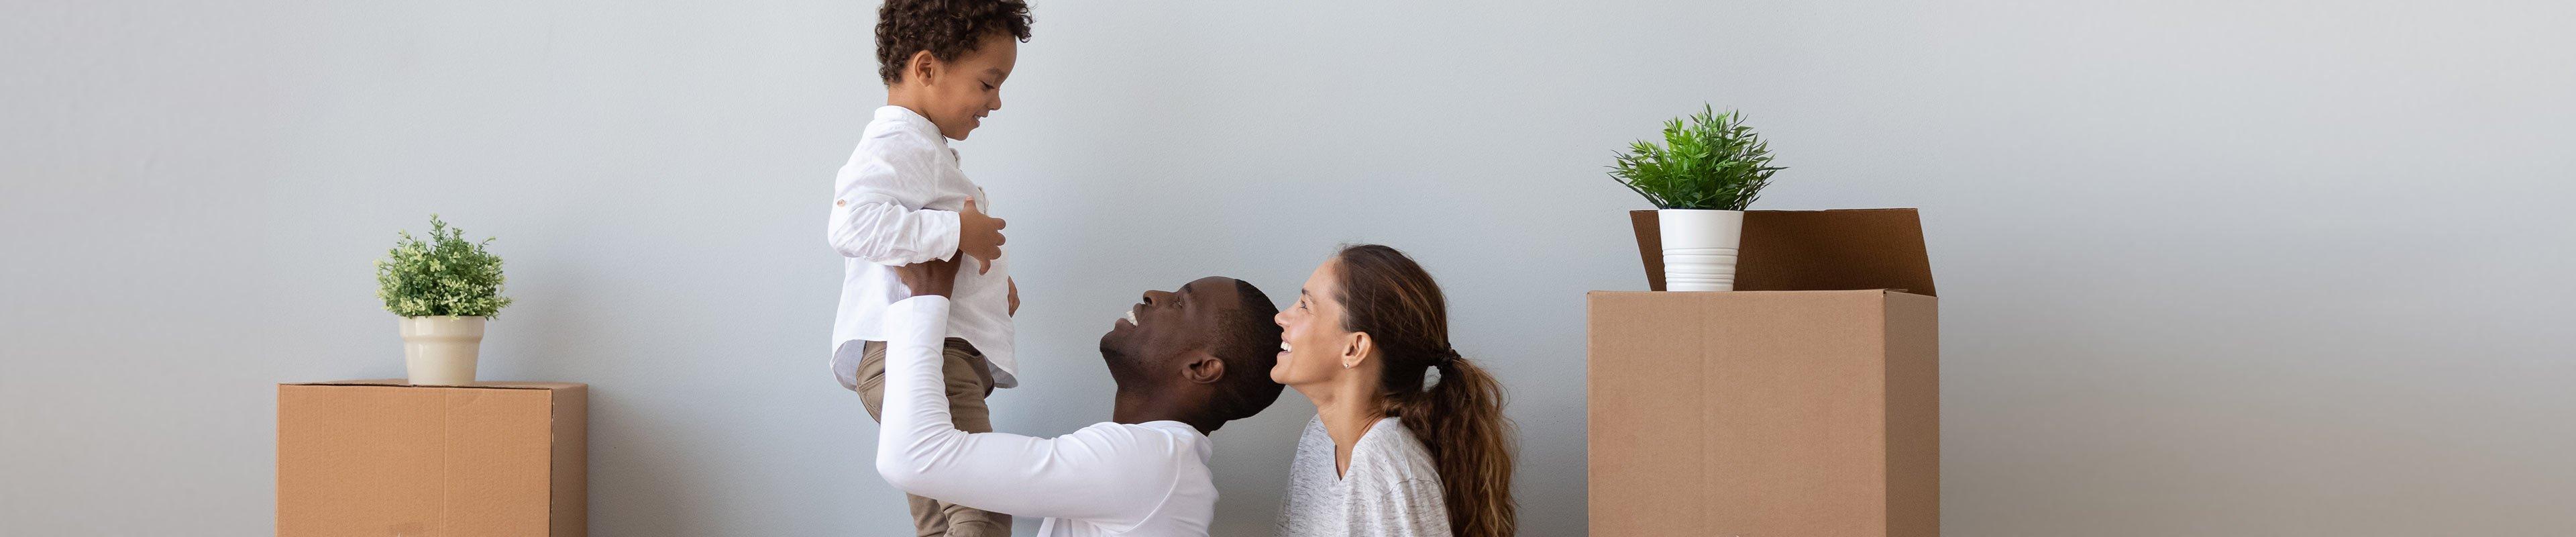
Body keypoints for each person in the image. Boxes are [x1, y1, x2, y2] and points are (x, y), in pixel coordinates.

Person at [874, 255, 1287, 536]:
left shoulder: (1149, 461)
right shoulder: (1161, 463)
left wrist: (928, 300)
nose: (1153, 295)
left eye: (1180, 303)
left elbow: (912, 457)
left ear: (1201, 368)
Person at [825, 1, 1031, 535]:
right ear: (926, 68)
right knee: (979, 506)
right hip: (924, 356)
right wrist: (959, 232)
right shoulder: (899, 144)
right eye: (988, 84)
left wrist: (982, 285)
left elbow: (910, 237)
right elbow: (851, 228)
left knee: (943, 517)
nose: (999, 102)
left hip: (916, 355)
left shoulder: (919, 146)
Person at [1270, 244, 1518, 537]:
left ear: (1354, 348)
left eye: (1304, 306)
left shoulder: (1394, 474)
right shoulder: (1319, 439)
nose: (1281, 318)